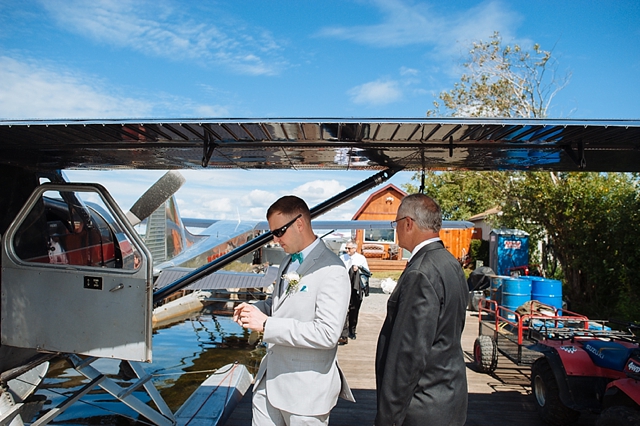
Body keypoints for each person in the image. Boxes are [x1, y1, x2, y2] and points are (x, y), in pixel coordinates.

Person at [233, 195, 354, 426]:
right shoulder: (286, 263)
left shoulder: (333, 269)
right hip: (269, 383)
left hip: (305, 394)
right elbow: (278, 305)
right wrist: (254, 310)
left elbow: (327, 334)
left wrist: (266, 325)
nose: (275, 239)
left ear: (299, 223)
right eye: (272, 234)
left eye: (279, 231)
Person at [375, 193, 468, 426]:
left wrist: (388, 418)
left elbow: (408, 354)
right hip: (449, 397)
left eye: (395, 223)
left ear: (408, 223)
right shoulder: (450, 262)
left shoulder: (421, 272)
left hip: (421, 406)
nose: (395, 229)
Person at [340, 242, 370, 342]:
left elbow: (367, 272)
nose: (347, 250)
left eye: (349, 248)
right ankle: (343, 333)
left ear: (355, 249)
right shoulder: (342, 258)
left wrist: (359, 269)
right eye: (346, 248)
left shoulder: (361, 258)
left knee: (354, 310)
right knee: (344, 310)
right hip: (344, 286)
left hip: (356, 287)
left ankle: (352, 331)